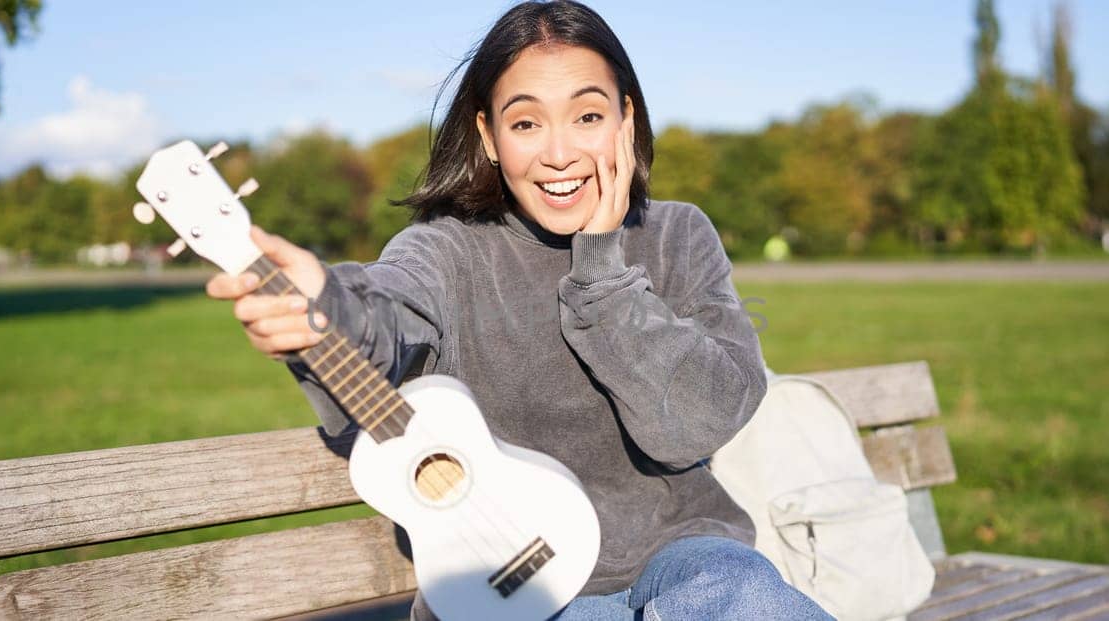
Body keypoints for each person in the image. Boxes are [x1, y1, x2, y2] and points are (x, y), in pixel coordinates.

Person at [206, 2, 831, 619]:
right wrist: (327, 307)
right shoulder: (446, 250)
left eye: (587, 115)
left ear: (627, 119)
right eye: (526, 124)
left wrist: (602, 273)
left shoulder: (678, 235)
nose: (558, 154)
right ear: (489, 137)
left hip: (683, 550)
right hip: (521, 586)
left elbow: (694, 426)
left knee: (747, 594)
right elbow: (389, 310)